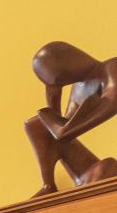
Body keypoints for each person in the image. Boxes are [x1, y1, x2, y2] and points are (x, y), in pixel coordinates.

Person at [26, 42, 117, 196]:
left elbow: (110, 105)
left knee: (107, 168)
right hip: (86, 170)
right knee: (37, 125)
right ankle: (48, 185)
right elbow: (58, 133)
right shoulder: (79, 87)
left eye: (57, 79)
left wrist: (58, 127)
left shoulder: (111, 69)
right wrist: (53, 94)